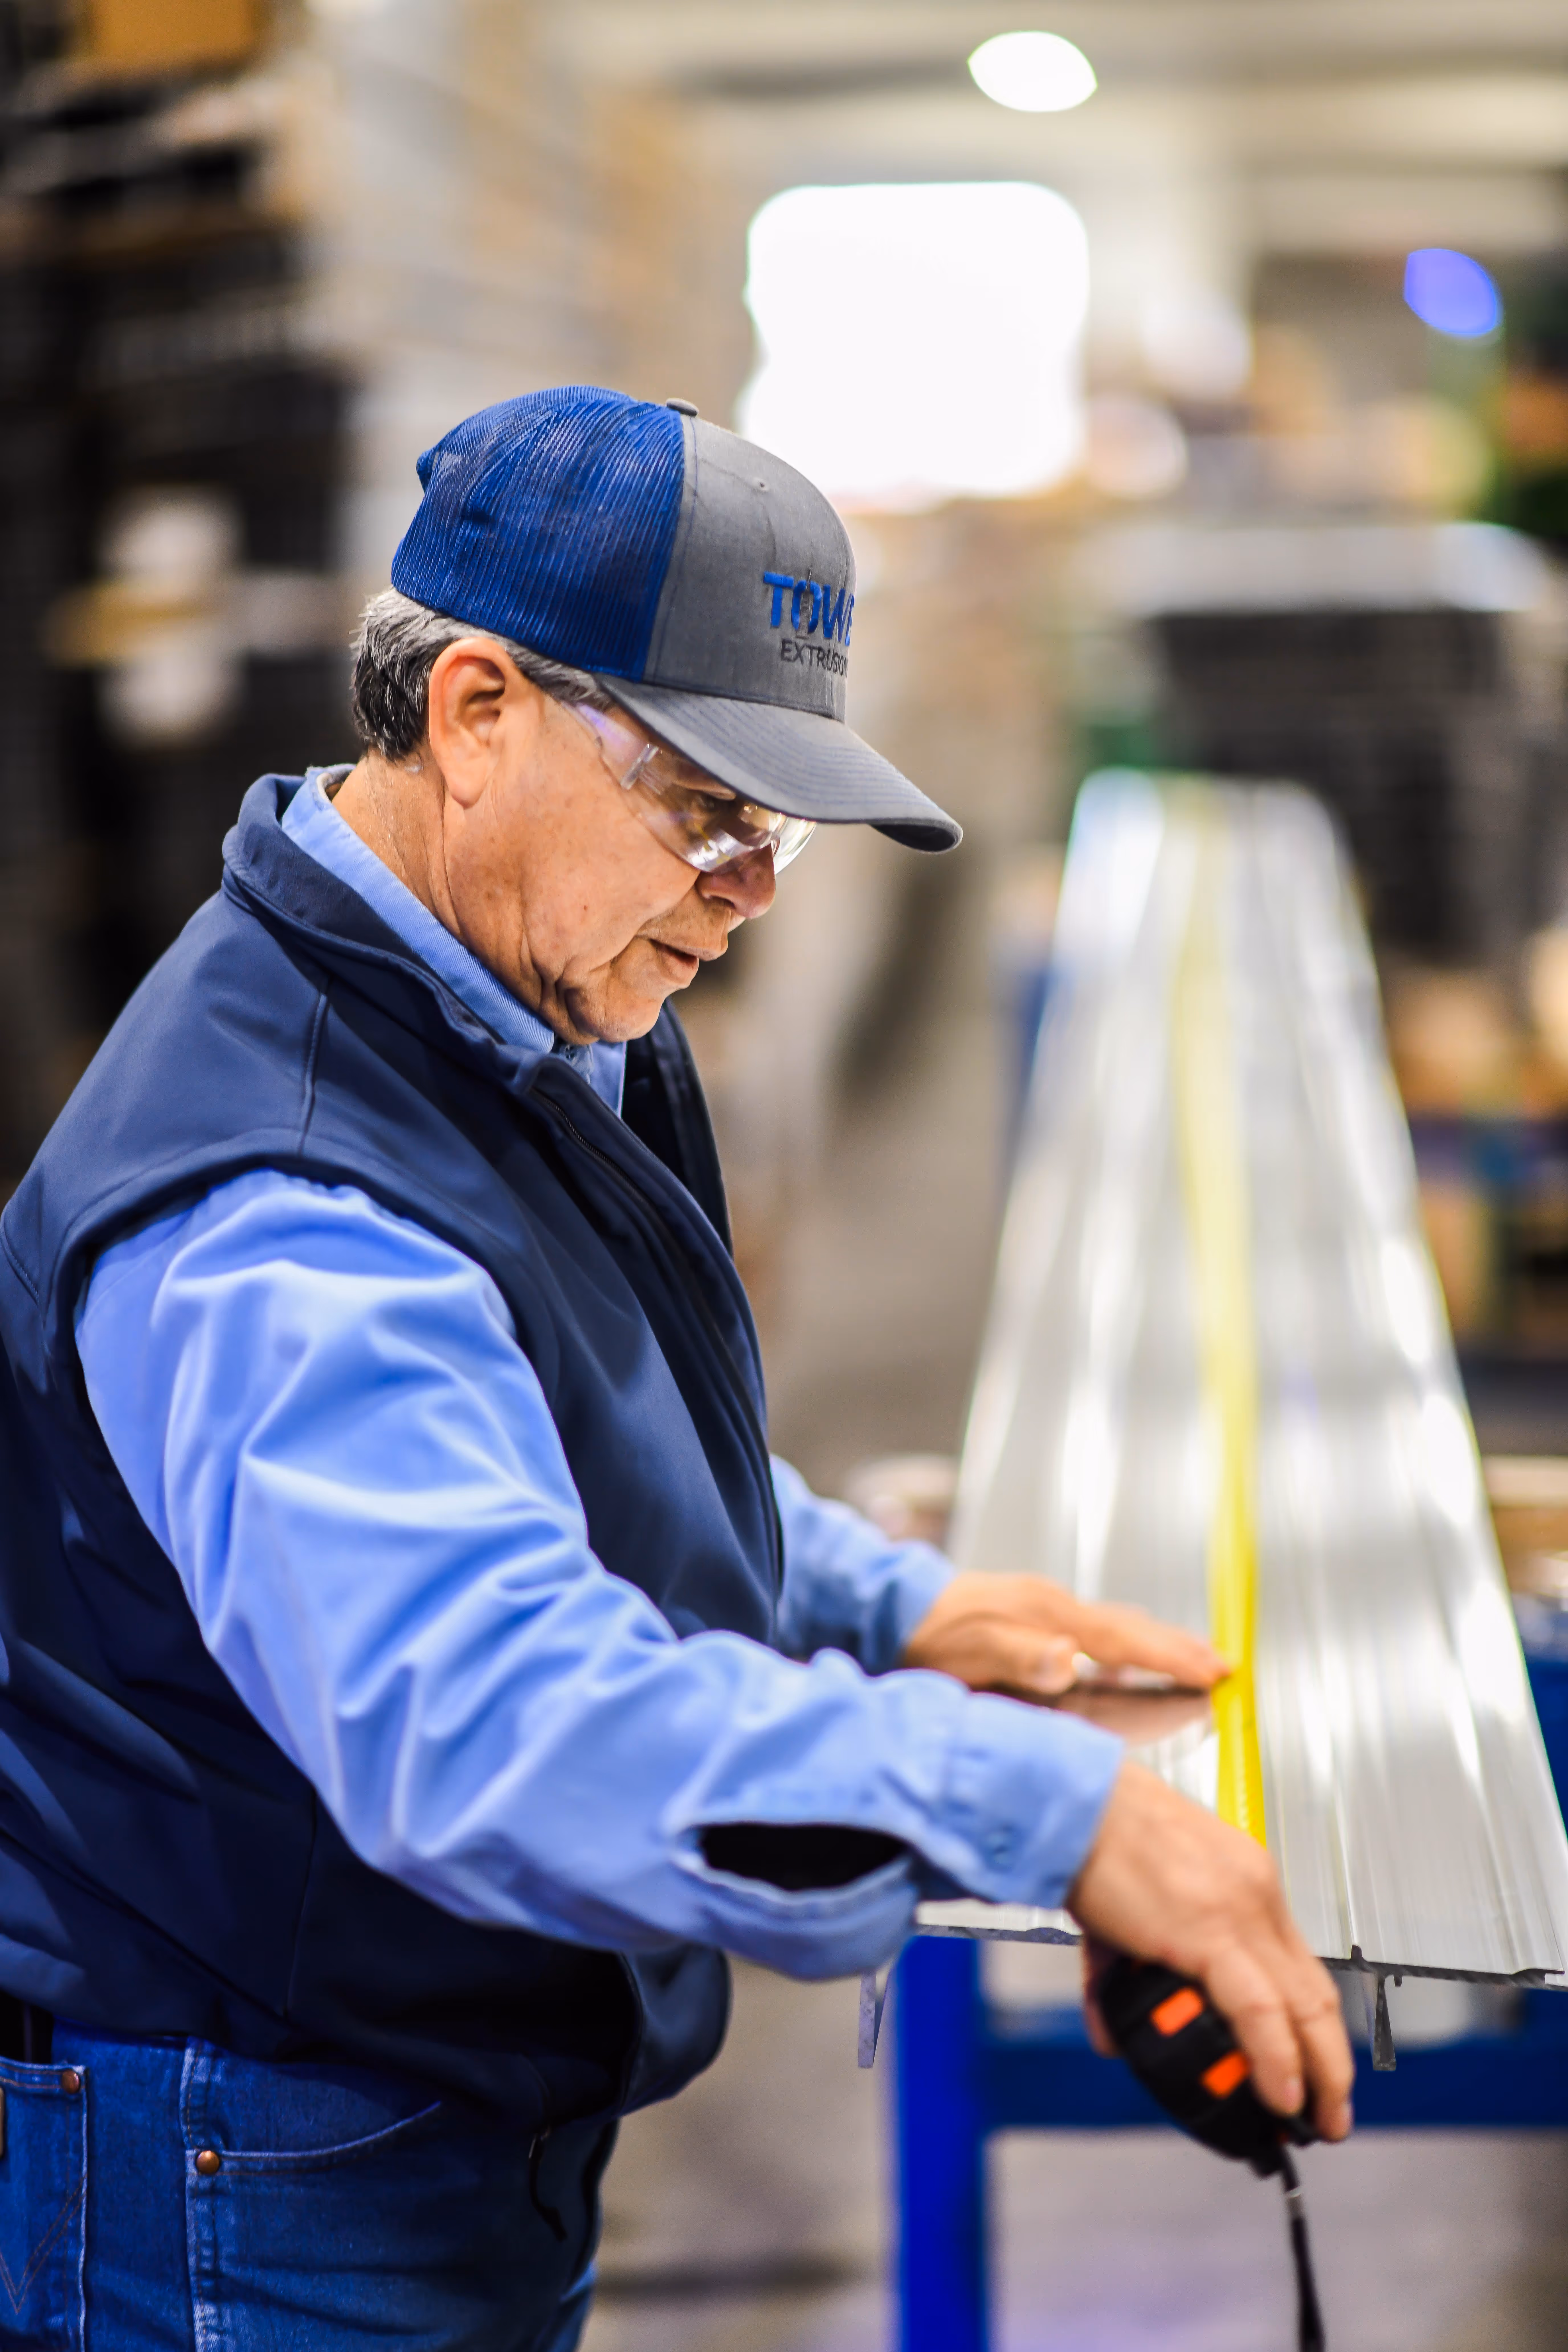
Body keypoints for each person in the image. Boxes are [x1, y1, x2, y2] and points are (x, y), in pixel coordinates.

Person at [0, 386, 1352, 2351]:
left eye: (779, 818)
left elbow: (572, 1425)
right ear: (476, 717)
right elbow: (485, 1720)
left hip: (409, 2103)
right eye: (706, 805)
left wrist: (884, 1599)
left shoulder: (518, 1013)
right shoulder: (282, 1204)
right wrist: (1038, 1807)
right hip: (245, 2178)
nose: (756, 884)